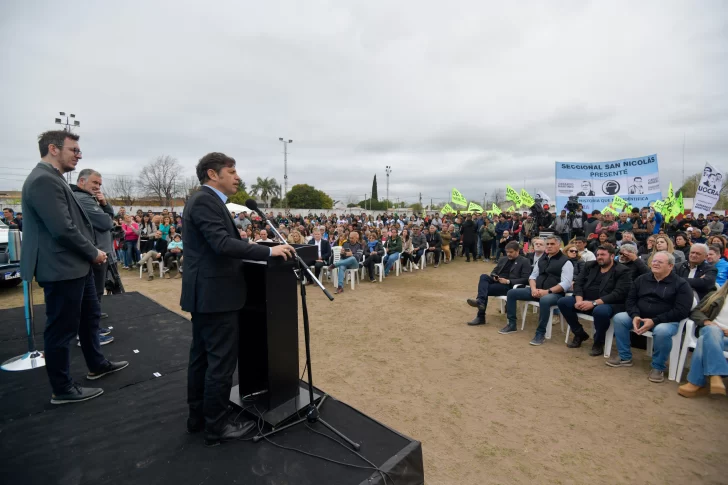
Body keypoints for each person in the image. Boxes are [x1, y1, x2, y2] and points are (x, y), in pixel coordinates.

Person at [181, 152, 295, 446]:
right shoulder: (206, 200)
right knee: (219, 363)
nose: (237, 176)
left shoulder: (204, 200)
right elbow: (220, 244)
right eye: (231, 171)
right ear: (212, 174)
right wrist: (268, 251)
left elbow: (216, 243)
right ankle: (217, 426)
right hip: (216, 296)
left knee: (202, 359)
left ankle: (199, 417)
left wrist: (249, 246)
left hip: (207, 294)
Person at [20, 130, 127, 404]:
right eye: (74, 150)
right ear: (54, 149)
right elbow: (63, 229)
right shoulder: (43, 180)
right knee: (62, 329)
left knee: (90, 316)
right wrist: (94, 252)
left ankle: (96, 365)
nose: (79, 155)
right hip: (61, 267)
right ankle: (63, 388)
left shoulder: (54, 179)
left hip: (76, 267)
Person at [606, 251, 693, 383]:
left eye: (660, 262)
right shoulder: (642, 279)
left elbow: (681, 311)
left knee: (661, 331)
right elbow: (630, 300)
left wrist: (654, 321)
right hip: (640, 317)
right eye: (654, 261)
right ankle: (625, 357)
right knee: (620, 318)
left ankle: (658, 367)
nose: (655, 264)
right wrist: (635, 315)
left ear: (670, 266)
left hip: (666, 321)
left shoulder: (681, 284)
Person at [558, 244, 631, 356]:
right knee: (563, 302)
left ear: (612, 256)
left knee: (600, 311)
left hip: (609, 303)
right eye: (597, 254)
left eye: (603, 255)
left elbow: (619, 293)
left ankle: (598, 341)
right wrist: (578, 300)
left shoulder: (622, 270)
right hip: (585, 299)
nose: (599, 257)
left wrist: (594, 303)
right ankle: (579, 333)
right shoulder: (590, 266)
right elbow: (578, 283)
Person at [500, 235, 574, 345]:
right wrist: (534, 289)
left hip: (555, 294)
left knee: (545, 300)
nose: (549, 246)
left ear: (559, 245)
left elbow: (566, 283)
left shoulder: (566, 262)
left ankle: (540, 333)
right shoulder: (542, 259)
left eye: (552, 244)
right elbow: (532, 277)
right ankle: (512, 324)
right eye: (547, 244)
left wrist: (547, 291)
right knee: (511, 293)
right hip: (537, 290)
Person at [71, 169, 115, 326]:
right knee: (92, 293)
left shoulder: (90, 197)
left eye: (100, 184)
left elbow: (109, 220)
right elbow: (107, 223)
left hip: (99, 250)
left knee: (96, 291)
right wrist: (106, 210)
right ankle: (91, 328)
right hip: (94, 252)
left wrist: (104, 204)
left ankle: (93, 318)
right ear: (82, 181)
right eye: (94, 183)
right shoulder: (82, 198)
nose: (98, 187)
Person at [465, 241, 531, 326]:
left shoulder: (524, 261)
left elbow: (525, 279)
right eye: (507, 252)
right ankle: (480, 302)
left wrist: (508, 281)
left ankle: (480, 316)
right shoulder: (503, 259)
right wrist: (494, 276)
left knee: (484, 290)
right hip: (498, 282)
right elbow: (494, 271)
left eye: (511, 252)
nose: (508, 254)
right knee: (483, 276)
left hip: (510, 286)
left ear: (517, 251)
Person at [678, 287, 728, 398]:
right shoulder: (715, 295)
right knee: (711, 331)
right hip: (711, 332)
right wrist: (706, 321)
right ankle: (715, 374)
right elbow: (695, 312)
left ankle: (696, 382)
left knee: (703, 340)